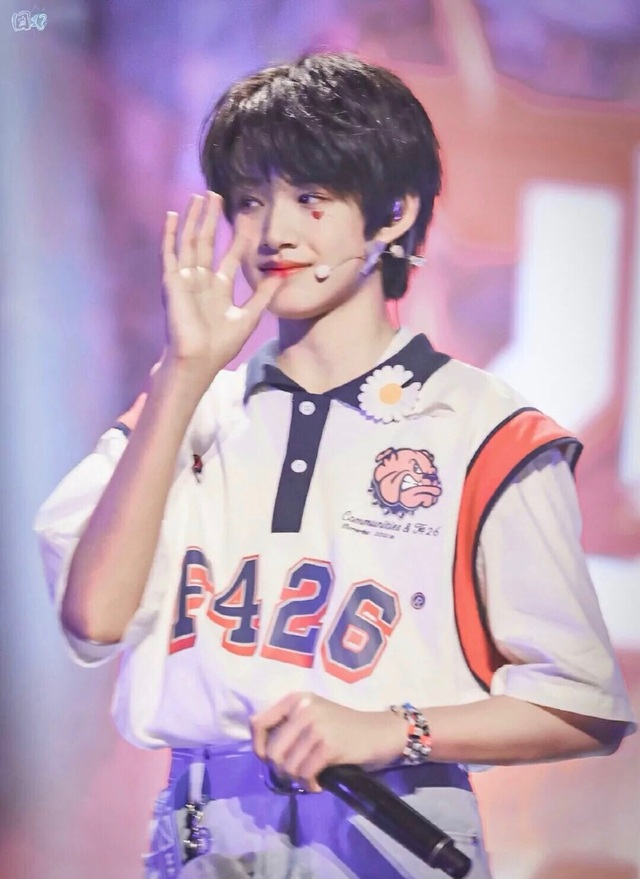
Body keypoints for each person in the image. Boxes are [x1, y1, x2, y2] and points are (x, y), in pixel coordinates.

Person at [34, 52, 635, 879]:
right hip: (202, 839)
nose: (273, 233)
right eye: (251, 200)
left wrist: (391, 728)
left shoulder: (484, 430)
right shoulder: (184, 410)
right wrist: (183, 372)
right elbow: (94, 618)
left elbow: (582, 705)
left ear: (393, 214)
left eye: (311, 198)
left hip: (389, 833)